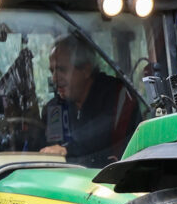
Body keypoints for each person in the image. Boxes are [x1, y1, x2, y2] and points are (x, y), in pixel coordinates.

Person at [43, 38, 140, 167]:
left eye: (62, 70)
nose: (54, 79)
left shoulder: (116, 96)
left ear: (86, 70)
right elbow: (45, 147)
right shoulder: (54, 108)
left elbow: (101, 133)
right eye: (52, 71)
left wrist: (67, 150)